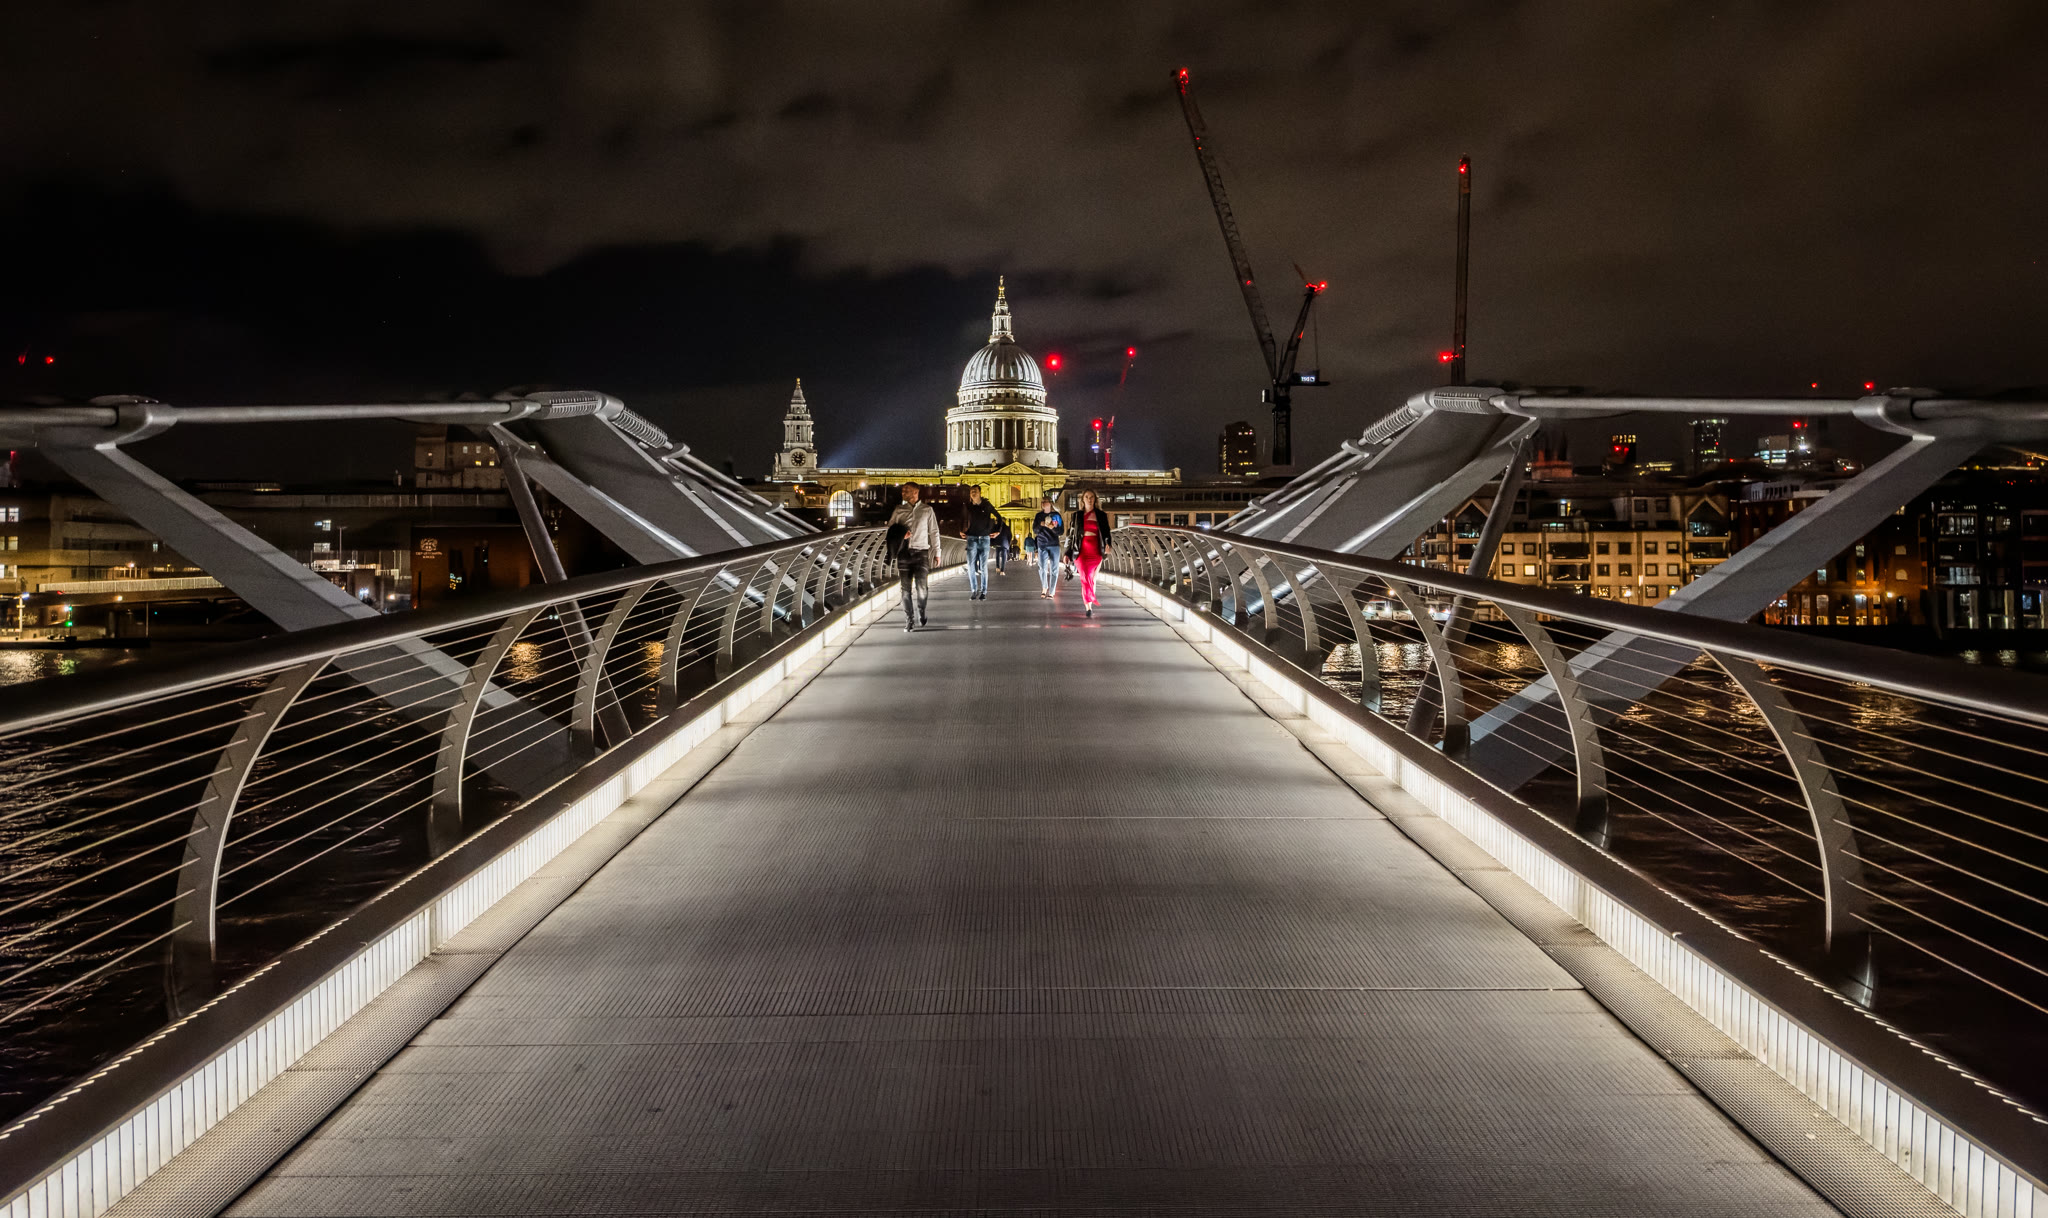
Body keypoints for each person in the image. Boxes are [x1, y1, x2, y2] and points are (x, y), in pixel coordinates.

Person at [888, 482, 941, 631]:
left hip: (921, 553)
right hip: (903, 553)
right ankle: (909, 619)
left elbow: (934, 531)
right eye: (903, 490)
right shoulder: (899, 510)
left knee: (922, 589)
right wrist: (901, 535)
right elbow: (890, 528)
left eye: (907, 490)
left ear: (916, 492)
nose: (903, 492)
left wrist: (937, 552)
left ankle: (921, 610)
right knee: (905, 589)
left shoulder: (927, 510)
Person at [1065, 488, 1113, 618]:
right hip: (1080, 551)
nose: (1089, 499)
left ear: (1095, 500)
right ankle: (1088, 606)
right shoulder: (1076, 516)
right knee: (1085, 577)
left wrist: (1108, 544)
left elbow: (1106, 532)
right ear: (1082, 499)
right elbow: (1071, 535)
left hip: (1096, 551)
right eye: (1086, 497)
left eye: (1092, 497)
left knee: (1091, 578)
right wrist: (1067, 553)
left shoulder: (1101, 515)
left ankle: (1089, 604)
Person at [961, 485, 1003, 600]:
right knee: (971, 566)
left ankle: (983, 591)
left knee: (983, 567)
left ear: (980, 493)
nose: (973, 493)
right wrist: (961, 530)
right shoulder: (968, 506)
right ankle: (974, 590)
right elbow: (962, 518)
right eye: (971, 492)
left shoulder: (987, 505)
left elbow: (999, 517)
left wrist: (997, 531)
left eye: (975, 491)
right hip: (972, 538)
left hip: (984, 538)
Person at [1029, 496, 1063, 599]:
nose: (1043, 503)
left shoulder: (1056, 515)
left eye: (1045, 501)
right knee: (1042, 568)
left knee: (1054, 569)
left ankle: (1051, 592)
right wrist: (1042, 524)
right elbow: (1035, 530)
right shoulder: (1038, 516)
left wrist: (1052, 528)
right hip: (1042, 544)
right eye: (1042, 502)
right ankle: (1044, 587)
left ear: (1050, 503)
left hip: (1054, 544)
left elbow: (1061, 531)